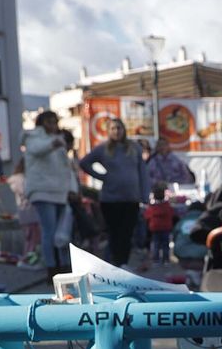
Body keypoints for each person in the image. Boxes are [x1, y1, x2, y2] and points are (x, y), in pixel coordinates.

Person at [78, 118, 148, 266]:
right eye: (113, 129)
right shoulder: (103, 148)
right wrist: (101, 176)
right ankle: (114, 264)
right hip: (110, 199)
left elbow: (143, 173)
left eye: (119, 128)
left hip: (131, 198)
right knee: (114, 233)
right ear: (109, 131)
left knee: (127, 233)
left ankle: (124, 263)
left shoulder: (134, 148)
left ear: (124, 130)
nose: (116, 131)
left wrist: (145, 195)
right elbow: (84, 163)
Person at [22, 111, 72, 277]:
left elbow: (66, 168)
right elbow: (37, 150)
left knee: (60, 232)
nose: (52, 126)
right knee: (49, 230)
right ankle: (52, 268)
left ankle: (63, 265)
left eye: (54, 122)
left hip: (59, 191)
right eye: (49, 122)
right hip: (42, 190)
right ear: (41, 123)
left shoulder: (57, 141)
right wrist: (53, 144)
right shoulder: (33, 137)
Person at [143, 183, 177, 267]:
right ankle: (166, 260)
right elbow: (172, 214)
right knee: (166, 245)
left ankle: (156, 260)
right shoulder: (167, 206)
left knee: (156, 244)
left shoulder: (151, 208)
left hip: (155, 229)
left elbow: (146, 216)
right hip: (166, 228)